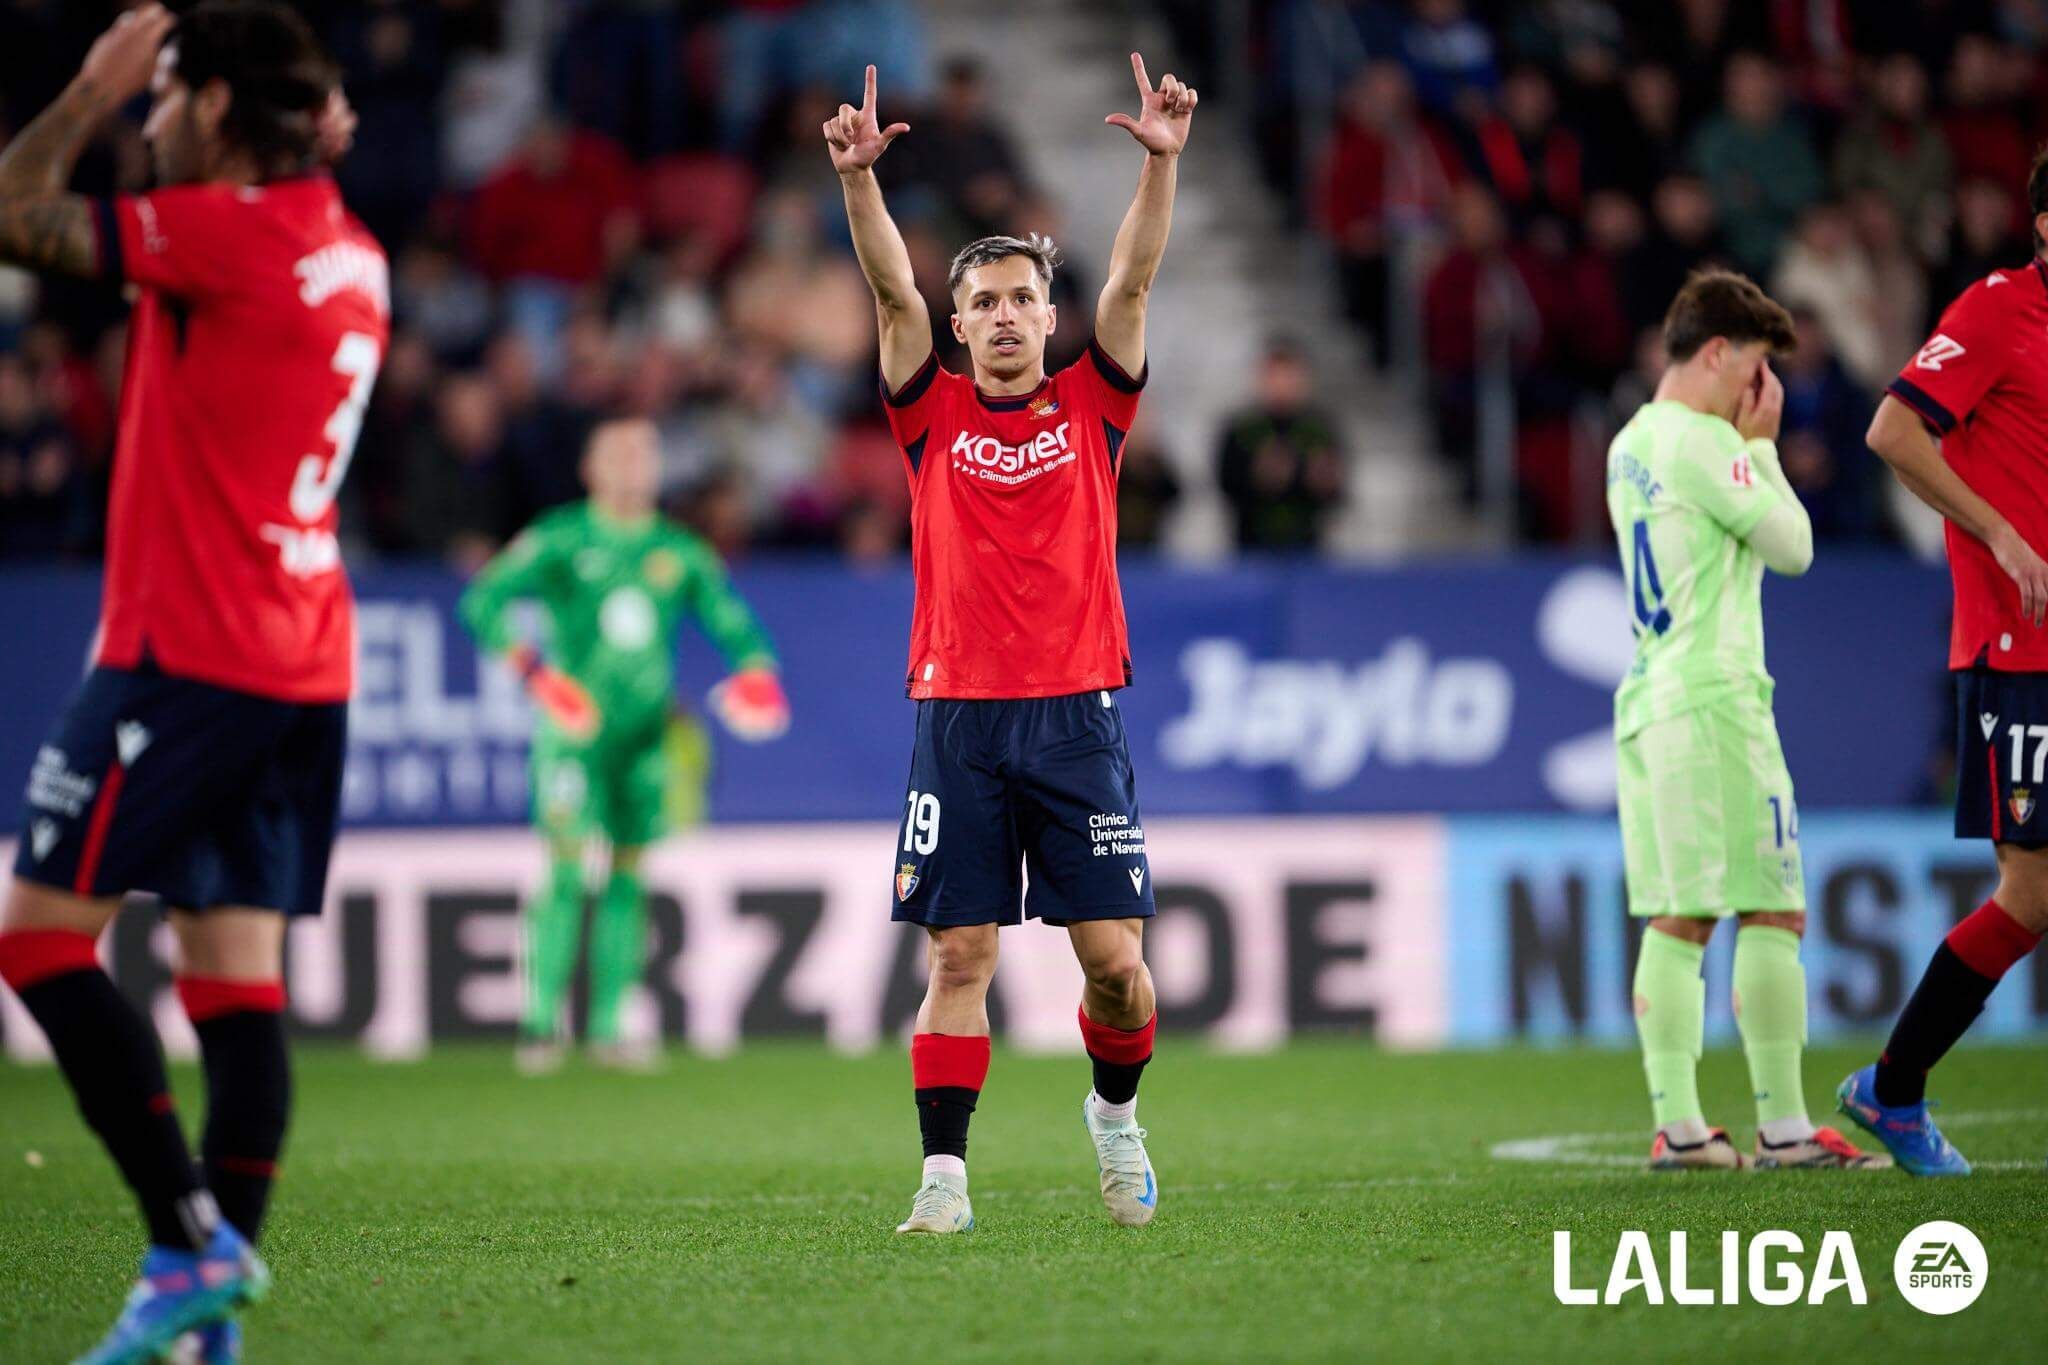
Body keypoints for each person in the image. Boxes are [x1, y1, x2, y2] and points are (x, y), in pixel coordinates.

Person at [0, 4, 385, 1360]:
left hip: (188, 651)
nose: (148, 117)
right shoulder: (349, 249)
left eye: (167, 95)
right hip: (304, 661)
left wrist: (88, 91)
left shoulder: (226, 238)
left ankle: (185, 1242)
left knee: (38, 936)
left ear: (217, 107)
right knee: (234, 981)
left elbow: (14, 208)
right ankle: (208, 1323)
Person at [823, 56, 1193, 1234]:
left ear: (1048, 315)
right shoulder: (925, 413)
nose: (997, 319)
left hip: (1075, 713)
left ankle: (1115, 1116)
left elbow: (1134, 277)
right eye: (976, 303)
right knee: (960, 959)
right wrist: (858, 187)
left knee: (1115, 967)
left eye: (1017, 301)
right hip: (958, 716)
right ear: (956, 322)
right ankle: (943, 1181)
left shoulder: (1094, 404)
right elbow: (886, 296)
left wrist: (1161, 163)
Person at [1607, 269, 1884, 1172]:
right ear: (1719, 352)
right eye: (1756, 371)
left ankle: (1681, 1126)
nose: (1759, 395)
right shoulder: (1701, 441)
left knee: (1678, 915)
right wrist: (1761, 448)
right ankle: (1786, 1129)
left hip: (1651, 698)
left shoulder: (1630, 443)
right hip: (1717, 697)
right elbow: (1795, 548)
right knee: (1777, 906)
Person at [458, 417, 789, 1073]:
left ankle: (610, 1023)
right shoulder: (561, 537)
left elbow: (732, 619)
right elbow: (485, 600)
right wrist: (536, 674)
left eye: (645, 452)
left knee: (629, 874)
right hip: (574, 735)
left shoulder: (677, 549)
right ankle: (541, 1023)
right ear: (591, 467)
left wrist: (757, 671)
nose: (636, 463)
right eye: (620, 452)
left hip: (644, 740)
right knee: (563, 869)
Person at [1838, 151, 2048, 1176]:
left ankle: (1889, 1091)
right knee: (2030, 893)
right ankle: (1891, 1089)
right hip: (2020, 646)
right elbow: (1890, 430)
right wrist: (2002, 535)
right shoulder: (1996, 308)